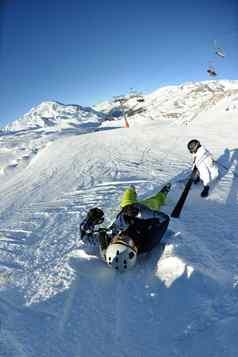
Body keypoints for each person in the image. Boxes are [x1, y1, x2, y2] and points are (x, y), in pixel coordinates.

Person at [80, 183, 171, 272]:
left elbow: (84, 237)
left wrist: (89, 220)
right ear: (135, 249)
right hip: (146, 209)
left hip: (127, 209)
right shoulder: (148, 243)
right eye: (127, 242)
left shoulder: (109, 240)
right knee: (156, 201)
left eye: (117, 240)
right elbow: (164, 219)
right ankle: (163, 193)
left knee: (127, 198)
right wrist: (141, 213)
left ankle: (131, 189)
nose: (122, 237)